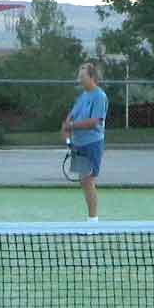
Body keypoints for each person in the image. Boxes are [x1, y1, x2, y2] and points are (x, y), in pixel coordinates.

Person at [62, 61, 108, 221]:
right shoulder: (83, 96)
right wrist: (67, 130)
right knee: (84, 181)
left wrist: (71, 125)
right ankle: (91, 219)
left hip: (92, 144)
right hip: (78, 144)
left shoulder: (100, 96)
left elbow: (94, 121)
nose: (80, 79)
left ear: (92, 77)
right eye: (79, 76)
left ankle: (93, 222)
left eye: (82, 76)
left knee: (88, 181)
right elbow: (71, 116)